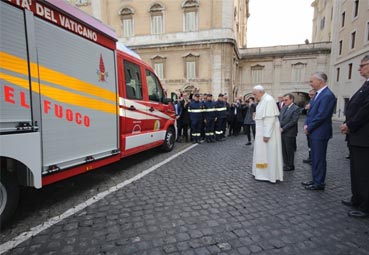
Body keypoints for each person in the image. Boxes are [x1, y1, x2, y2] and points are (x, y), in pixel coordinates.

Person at [340, 55, 369, 218]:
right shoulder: (365, 84)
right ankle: (357, 198)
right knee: (356, 172)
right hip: (357, 137)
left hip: (364, 137)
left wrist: (349, 125)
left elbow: (365, 110)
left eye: (362, 65)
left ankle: (365, 206)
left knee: (364, 174)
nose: (359, 69)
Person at [302, 72, 336, 191]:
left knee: (319, 158)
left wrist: (309, 127)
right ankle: (315, 179)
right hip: (314, 131)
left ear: (320, 81)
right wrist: (306, 124)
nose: (310, 83)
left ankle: (319, 182)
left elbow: (322, 115)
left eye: (312, 81)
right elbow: (311, 113)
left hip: (320, 132)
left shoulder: (327, 95)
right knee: (315, 158)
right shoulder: (318, 94)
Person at [251, 85, 283, 183]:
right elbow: (261, 117)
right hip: (262, 133)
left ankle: (268, 175)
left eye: (255, 94)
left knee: (268, 154)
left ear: (260, 92)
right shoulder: (262, 100)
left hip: (267, 134)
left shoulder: (268, 100)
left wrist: (267, 135)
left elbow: (270, 119)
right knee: (262, 154)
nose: (254, 96)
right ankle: (261, 173)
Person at [279, 93, 301, 171]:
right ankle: (286, 164)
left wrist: (283, 128)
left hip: (289, 132)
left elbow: (293, 121)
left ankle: (291, 165)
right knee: (283, 149)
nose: (284, 101)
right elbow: (280, 118)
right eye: (284, 100)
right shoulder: (284, 107)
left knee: (289, 149)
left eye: (286, 100)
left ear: (291, 99)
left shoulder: (296, 108)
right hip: (281, 131)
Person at [302, 89, 316, 164]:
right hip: (308, 127)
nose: (310, 96)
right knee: (309, 144)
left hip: (313, 127)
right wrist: (305, 125)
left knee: (314, 145)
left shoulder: (316, 102)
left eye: (312, 95)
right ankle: (310, 157)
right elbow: (307, 116)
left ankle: (313, 159)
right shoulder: (310, 102)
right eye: (309, 95)